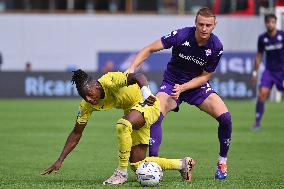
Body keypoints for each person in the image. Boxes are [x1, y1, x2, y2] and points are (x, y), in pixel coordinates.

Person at [127, 7, 232, 180]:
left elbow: (205, 76)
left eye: (208, 25)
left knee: (226, 118)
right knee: (155, 116)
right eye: (201, 24)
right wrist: (132, 67)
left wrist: (184, 87)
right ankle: (153, 162)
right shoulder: (181, 35)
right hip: (171, 83)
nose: (204, 28)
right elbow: (149, 49)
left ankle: (222, 162)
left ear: (215, 25)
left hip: (196, 86)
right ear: (195, 23)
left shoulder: (216, 47)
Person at [41, 69, 196, 185]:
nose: (89, 98)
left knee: (122, 125)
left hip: (147, 104)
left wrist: (146, 92)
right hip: (134, 112)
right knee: (138, 165)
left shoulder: (109, 80)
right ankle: (182, 164)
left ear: (95, 84)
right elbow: (76, 133)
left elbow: (138, 75)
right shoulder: (86, 105)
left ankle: (121, 173)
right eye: (84, 96)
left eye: (89, 93)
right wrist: (60, 160)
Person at [251, 14, 284, 130]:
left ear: (276, 23)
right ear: (265, 23)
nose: (271, 24)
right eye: (268, 22)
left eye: (273, 22)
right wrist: (255, 73)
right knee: (262, 94)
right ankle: (257, 122)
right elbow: (259, 56)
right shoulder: (262, 38)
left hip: (282, 70)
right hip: (269, 71)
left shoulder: (282, 36)